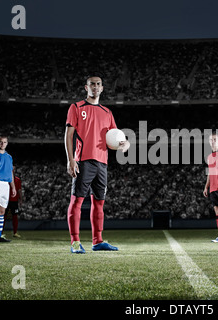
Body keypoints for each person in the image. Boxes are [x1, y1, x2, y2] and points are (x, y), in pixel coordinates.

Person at [65, 74, 130, 254]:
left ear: (102, 88)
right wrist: (71, 160)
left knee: (99, 202)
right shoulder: (76, 107)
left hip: (102, 163)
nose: (95, 87)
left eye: (98, 84)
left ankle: (98, 241)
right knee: (77, 200)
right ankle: (75, 242)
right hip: (83, 160)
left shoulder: (107, 112)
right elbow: (68, 136)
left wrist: (125, 144)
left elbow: (116, 139)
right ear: (86, 88)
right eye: (92, 84)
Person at [5, 166, 22, 238]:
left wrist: (21, 199)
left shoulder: (17, 180)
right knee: (3, 216)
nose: (13, 171)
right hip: (5, 200)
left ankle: (15, 232)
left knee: (15, 217)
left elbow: (19, 190)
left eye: (14, 169)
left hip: (14, 201)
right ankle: (0, 232)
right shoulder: (5, 179)